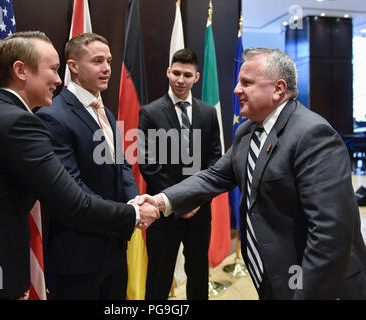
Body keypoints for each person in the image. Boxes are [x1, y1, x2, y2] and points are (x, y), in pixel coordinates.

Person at [0, 31, 159, 300]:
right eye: (53, 69)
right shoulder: (18, 124)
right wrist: (132, 214)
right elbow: (72, 201)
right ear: (21, 71)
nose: (59, 80)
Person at [140, 47, 366, 299]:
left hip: (310, 282)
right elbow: (214, 176)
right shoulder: (248, 131)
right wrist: (161, 201)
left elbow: (330, 233)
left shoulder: (313, 134)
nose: (237, 89)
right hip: (271, 275)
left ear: (278, 89)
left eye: (246, 83)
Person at [35, 33, 141, 300]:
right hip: (79, 254)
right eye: (97, 61)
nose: (106, 68)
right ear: (73, 66)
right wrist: (126, 214)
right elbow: (72, 187)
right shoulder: (53, 115)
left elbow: (122, 165)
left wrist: (136, 202)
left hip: (115, 246)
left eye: (109, 61)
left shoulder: (105, 111)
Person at [138, 49, 222, 300]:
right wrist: (178, 201)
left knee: (198, 275)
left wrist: (195, 199)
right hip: (163, 211)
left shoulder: (208, 113)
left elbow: (215, 160)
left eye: (187, 74)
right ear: (168, 72)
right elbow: (148, 163)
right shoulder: (150, 112)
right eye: (176, 73)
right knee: (159, 278)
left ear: (196, 77)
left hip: (199, 210)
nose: (180, 79)